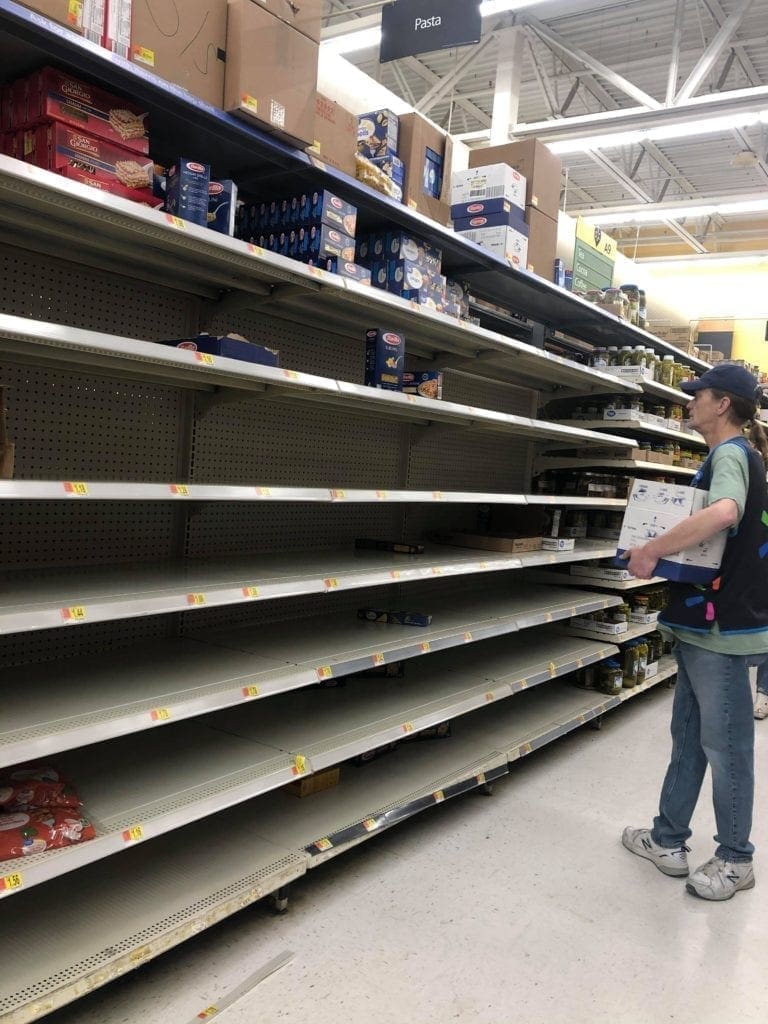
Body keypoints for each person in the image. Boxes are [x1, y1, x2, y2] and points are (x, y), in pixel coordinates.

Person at [620, 362, 768, 901]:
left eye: (696, 395)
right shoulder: (728, 455)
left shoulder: (730, 455)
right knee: (689, 739)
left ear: (722, 403)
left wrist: (653, 548)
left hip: (721, 630)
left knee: (726, 748)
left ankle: (735, 859)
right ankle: (667, 839)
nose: (688, 403)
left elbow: (724, 512)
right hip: (702, 627)